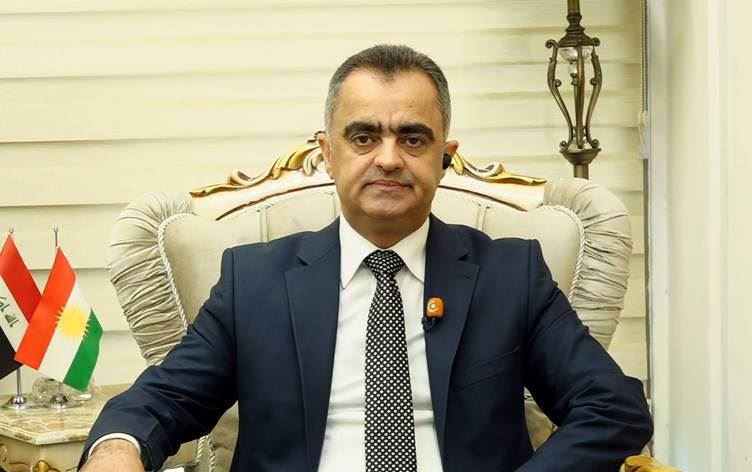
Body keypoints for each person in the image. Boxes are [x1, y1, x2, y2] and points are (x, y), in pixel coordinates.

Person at [80, 44, 652, 471]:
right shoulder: (254, 281)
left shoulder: (511, 275)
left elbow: (613, 408)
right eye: (363, 137)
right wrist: (117, 450)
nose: (389, 159)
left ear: (445, 156)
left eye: (413, 138)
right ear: (327, 153)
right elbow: (162, 400)